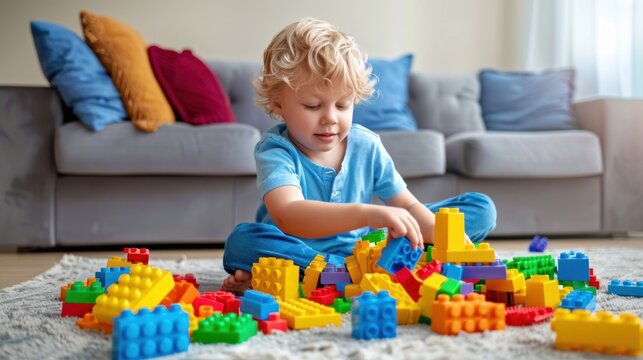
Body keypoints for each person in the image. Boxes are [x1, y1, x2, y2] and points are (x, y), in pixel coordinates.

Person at [221, 17, 496, 292]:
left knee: (480, 208)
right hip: (301, 250)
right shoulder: (276, 150)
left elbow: (408, 206)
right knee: (242, 242)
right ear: (278, 103)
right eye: (313, 105)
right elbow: (288, 214)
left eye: (343, 105)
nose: (330, 118)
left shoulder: (367, 145)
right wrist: (367, 214)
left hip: (367, 247)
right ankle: (344, 272)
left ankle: (373, 264)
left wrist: (449, 239)